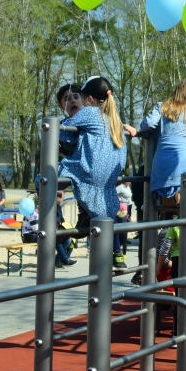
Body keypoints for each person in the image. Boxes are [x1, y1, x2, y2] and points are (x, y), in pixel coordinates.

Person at [58, 76, 128, 269]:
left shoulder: (90, 113)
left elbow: (62, 131)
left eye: (77, 97)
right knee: (105, 213)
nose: (73, 101)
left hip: (91, 172)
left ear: (89, 99)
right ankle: (116, 253)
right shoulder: (115, 121)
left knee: (49, 177)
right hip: (109, 180)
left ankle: (52, 228)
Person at [124, 79, 186, 206]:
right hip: (182, 163)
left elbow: (148, 124)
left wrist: (145, 130)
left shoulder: (162, 107)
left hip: (160, 164)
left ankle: (171, 197)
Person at [57, 83, 83, 157]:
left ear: (83, 99)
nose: (73, 101)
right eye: (67, 99)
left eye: (76, 97)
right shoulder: (61, 125)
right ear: (61, 106)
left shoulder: (89, 118)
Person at [116, 181, 133, 256]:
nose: (130, 182)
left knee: (126, 221)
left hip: (128, 206)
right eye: (129, 181)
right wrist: (119, 199)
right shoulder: (120, 187)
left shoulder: (127, 187)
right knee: (122, 224)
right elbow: (114, 192)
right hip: (122, 207)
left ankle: (122, 250)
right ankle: (120, 249)